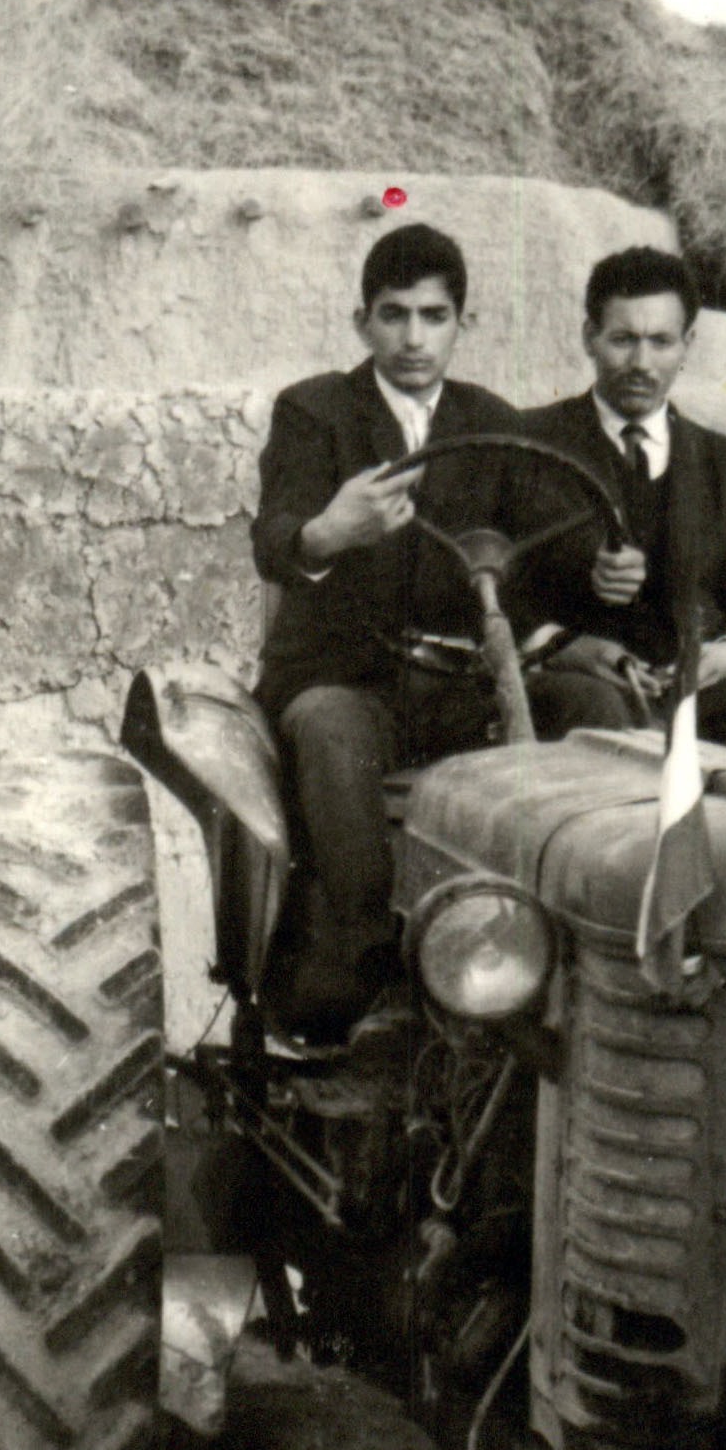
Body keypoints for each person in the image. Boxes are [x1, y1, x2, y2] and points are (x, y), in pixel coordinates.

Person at [251, 222, 614, 1035]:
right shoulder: (316, 413)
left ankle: (580, 953)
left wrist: (601, 572)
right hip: (349, 677)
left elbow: (549, 552)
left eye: (434, 316)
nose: (413, 338)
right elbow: (274, 540)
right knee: (328, 727)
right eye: (394, 315)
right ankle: (368, 961)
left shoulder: (494, 423)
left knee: (595, 710)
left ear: (463, 324)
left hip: (462, 690)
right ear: (362, 323)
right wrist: (328, 532)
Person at [520, 245, 726, 740]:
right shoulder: (527, 446)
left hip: (694, 690)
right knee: (599, 720)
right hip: (576, 686)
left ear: (687, 345)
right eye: (623, 340)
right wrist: (562, 646)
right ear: (589, 337)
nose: (641, 363)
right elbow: (490, 583)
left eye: (661, 342)